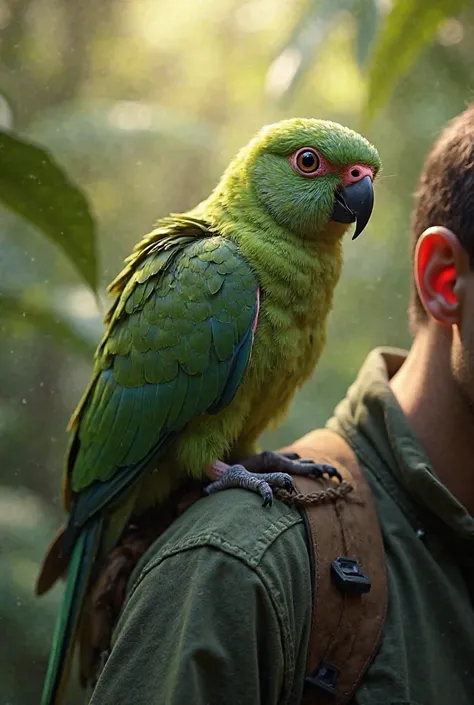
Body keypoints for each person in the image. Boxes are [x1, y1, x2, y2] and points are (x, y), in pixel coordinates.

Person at [88, 107, 474, 705]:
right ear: (444, 281)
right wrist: (218, 469)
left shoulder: (314, 272)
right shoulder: (214, 269)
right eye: (311, 165)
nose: (352, 187)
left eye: (359, 176)